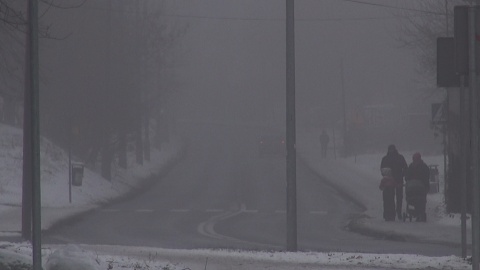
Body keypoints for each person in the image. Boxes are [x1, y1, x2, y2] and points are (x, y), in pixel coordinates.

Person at [380, 144, 408, 221]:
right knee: (395, 198)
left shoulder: (385, 158)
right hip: (396, 180)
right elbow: (405, 168)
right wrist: (402, 175)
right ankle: (395, 213)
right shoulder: (400, 157)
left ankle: (393, 213)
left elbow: (382, 170)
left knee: (392, 198)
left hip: (392, 180)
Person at [405, 152, 430, 222]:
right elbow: (407, 175)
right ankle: (415, 211)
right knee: (413, 199)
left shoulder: (424, 167)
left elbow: (426, 177)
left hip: (421, 187)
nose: (415, 160)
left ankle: (420, 212)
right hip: (413, 187)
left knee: (421, 200)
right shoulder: (411, 166)